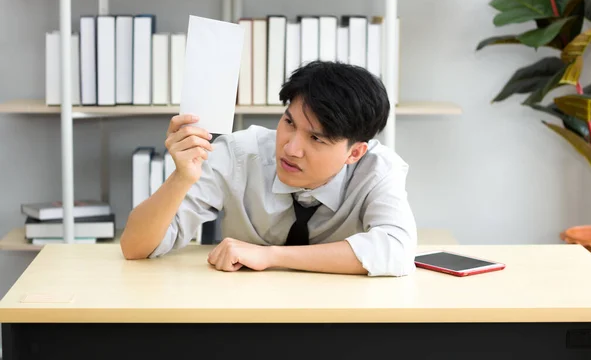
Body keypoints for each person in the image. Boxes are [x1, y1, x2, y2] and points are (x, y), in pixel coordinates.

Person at [120, 61, 417, 277]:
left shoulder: (378, 169)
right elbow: (135, 248)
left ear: (355, 152)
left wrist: (271, 255)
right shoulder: (238, 153)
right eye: (289, 123)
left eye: (315, 138)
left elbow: (397, 250)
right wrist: (181, 177)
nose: (290, 148)